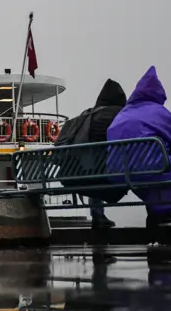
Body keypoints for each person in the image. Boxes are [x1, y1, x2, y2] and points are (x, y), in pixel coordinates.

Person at [107, 66, 171, 227]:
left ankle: (158, 213)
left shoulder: (122, 114)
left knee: (150, 173)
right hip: (150, 169)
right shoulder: (157, 111)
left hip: (120, 173)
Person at [55, 79, 128, 229]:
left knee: (94, 168)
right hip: (111, 174)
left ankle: (97, 214)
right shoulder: (121, 115)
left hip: (80, 173)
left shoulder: (87, 115)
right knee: (149, 168)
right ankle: (160, 212)